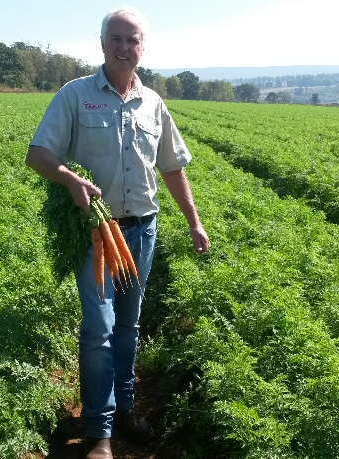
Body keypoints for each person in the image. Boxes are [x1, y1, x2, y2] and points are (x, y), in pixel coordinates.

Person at [25, 7, 209, 459]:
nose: (124, 48)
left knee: (128, 326)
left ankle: (125, 408)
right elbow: (37, 154)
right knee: (99, 329)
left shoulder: (153, 104)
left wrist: (194, 222)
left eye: (133, 40)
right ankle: (99, 431)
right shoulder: (76, 95)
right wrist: (69, 179)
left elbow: (171, 168)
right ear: (103, 44)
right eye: (116, 39)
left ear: (142, 48)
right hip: (97, 233)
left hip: (143, 230)